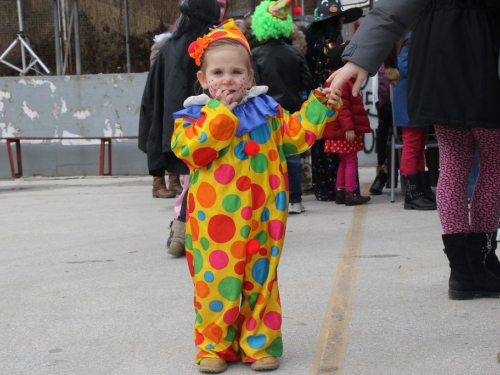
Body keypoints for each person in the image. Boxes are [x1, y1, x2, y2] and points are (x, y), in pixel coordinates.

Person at [171, 19, 339, 373]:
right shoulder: (193, 117)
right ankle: (214, 346)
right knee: (216, 284)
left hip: (264, 219)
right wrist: (221, 114)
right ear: (203, 79)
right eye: (218, 71)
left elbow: (296, 136)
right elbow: (192, 152)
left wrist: (321, 103)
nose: (228, 79)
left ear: (249, 77)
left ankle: (259, 343)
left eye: (236, 71)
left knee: (260, 280)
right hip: (215, 225)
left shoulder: (268, 113)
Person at [327, 0, 500, 300]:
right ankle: (480, 261)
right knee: (494, 162)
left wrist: (360, 58)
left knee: (454, 163)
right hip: (482, 47)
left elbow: (392, 9)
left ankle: (464, 271)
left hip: (438, 52)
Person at [139, 0, 226, 257]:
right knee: (214, 182)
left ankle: (180, 232)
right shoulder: (216, 45)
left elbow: (154, 96)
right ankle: (207, 233)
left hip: (181, 130)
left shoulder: (170, 48)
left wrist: (160, 135)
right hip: (216, 124)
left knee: (192, 180)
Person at [250, 0, 312, 215]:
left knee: (268, 158)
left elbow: (254, 85)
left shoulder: (256, 54)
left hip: (265, 111)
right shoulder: (295, 53)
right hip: (291, 110)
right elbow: (308, 81)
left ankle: (273, 202)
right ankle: (295, 200)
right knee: (292, 156)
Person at [297, 0, 363, 202]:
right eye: (340, 19)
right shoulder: (335, 45)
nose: (342, 23)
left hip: (316, 99)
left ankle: (327, 189)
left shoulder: (309, 42)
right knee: (342, 144)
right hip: (334, 97)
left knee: (322, 143)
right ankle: (343, 189)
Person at [389, 28, 436, 210]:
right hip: (411, 96)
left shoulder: (412, 35)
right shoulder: (413, 36)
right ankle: (412, 195)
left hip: (413, 96)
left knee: (418, 144)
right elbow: (405, 66)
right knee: (413, 144)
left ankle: (421, 192)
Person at [323, 41, 372, 206]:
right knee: (351, 160)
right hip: (345, 131)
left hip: (338, 130)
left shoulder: (333, 80)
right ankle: (350, 192)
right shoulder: (342, 82)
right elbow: (342, 108)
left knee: (344, 161)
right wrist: (349, 127)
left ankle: (341, 191)